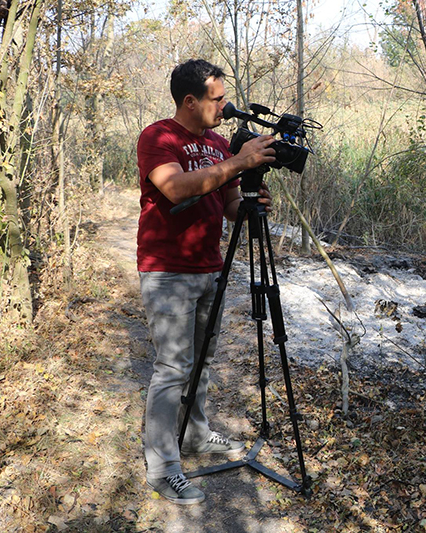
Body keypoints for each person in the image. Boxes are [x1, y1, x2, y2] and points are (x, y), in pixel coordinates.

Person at [136, 59, 276, 505]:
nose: (225, 105)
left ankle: (195, 434)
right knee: (172, 369)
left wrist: (251, 199)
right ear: (190, 101)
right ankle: (163, 468)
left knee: (201, 363)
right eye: (217, 98)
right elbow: (175, 189)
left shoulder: (218, 143)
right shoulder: (158, 137)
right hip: (168, 270)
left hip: (209, 266)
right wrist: (238, 160)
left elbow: (229, 204)